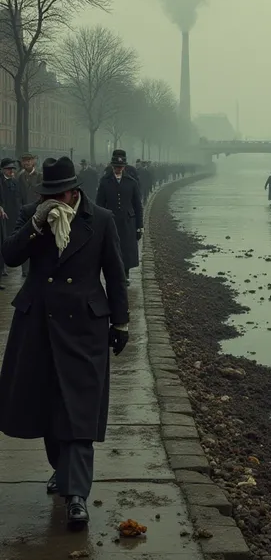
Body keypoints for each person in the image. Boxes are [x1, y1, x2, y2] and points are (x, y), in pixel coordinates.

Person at [0, 156, 129, 529]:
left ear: (75, 192)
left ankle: (76, 496)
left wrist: (121, 323)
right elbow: (9, 257)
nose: (54, 200)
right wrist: (37, 225)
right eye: (48, 195)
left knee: (79, 409)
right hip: (38, 322)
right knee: (49, 403)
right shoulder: (32, 214)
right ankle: (62, 470)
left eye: (60, 195)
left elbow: (115, 275)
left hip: (85, 325)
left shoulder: (100, 219)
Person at [96, 149, 143, 285]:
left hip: (128, 221)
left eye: (121, 167)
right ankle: (114, 274)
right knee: (112, 248)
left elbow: (137, 205)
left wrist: (140, 226)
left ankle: (126, 274)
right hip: (110, 220)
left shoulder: (131, 182)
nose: (118, 169)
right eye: (116, 166)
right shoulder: (105, 182)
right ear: (112, 166)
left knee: (126, 248)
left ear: (125, 167)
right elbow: (99, 203)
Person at [17, 152, 42, 277]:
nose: (26, 163)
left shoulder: (40, 177)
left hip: (38, 212)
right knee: (24, 240)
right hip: (24, 213)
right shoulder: (19, 177)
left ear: (34, 161)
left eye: (29, 160)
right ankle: (25, 270)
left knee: (39, 240)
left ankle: (38, 267)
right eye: (24, 160)